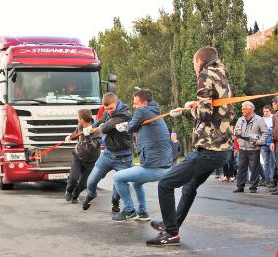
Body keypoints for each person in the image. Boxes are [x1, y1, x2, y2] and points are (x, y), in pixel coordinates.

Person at [146, 46, 234, 247]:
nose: (194, 68)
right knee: (189, 187)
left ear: (200, 61)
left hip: (210, 149)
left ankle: (171, 233)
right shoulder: (222, 74)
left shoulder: (204, 74)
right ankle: (172, 223)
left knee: (165, 184)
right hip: (223, 149)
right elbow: (214, 108)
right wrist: (193, 105)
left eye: (194, 64)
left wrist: (186, 111)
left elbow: (204, 114)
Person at [112, 89, 172, 222]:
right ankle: (143, 212)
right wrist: (129, 125)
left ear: (144, 103)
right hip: (164, 166)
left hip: (154, 168)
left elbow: (132, 127)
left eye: (136, 103)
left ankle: (129, 211)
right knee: (137, 183)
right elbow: (135, 125)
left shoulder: (143, 111)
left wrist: (124, 126)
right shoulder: (153, 112)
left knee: (117, 178)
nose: (134, 106)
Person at [82, 92, 133, 212]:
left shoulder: (125, 114)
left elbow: (105, 128)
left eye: (111, 108)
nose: (109, 111)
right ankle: (91, 195)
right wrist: (91, 128)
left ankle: (115, 202)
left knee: (118, 188)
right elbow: (101, 122)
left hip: (123, 157)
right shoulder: (107, 111)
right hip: (108, 154)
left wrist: (100, 126)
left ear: (117, 103)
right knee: (91, 181)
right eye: (106, 109)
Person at [64, 109, 102, 203]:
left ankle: (75, 195)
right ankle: (69, 190)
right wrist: (70, 136)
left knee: (83, 183)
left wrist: (88, 136)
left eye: (78, 118)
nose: (77, 119)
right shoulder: (80, 125)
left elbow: (92, 148)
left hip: (91, 161)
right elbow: (76, 133)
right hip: (77, 156)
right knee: (73, 178)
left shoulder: (97, 131)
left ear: (82, 119)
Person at [233, 101, 269, 193]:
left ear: (250, 109)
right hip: (242, 148)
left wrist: (260, 141)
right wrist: (237, 134)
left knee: (254, 168)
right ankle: (240, 186)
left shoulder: (259, 119)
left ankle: (253, 187)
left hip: (254, 148)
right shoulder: (240, 119)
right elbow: (236, 132)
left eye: (244, 109)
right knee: (241, 167)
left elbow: (265, 132)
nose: (242, 110)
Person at [261, 105, 275, 187]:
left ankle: (273, 180)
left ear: (270, 111)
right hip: (263, 144)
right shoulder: (261, 119)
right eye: (264, 111)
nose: (265, 113)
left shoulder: (274, 118)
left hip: (272, 143)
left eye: (267, 111)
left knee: (272, 162)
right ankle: (267, 180)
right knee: (266, 163)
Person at [269, 97, 278, 195]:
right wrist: (272, 141)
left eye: (274, 104)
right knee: (276, 165)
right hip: (276, 141)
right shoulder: (275, 115)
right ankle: (276, 185)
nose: (273, 106)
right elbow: (274, 130)